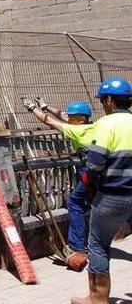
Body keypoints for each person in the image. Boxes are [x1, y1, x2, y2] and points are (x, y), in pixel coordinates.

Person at [60, 78, 132, 304]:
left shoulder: (105, 124)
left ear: (109, 100)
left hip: (112, 195)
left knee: (98, 245)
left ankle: (97, 299)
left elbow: (94, 165)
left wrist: (92, 184)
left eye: (103, 100)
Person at [22, 97, 94, 271]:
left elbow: (50, 121)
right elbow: (63, 116)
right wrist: (47, 107)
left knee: (75, 203)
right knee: (90, 205)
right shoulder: (94, 126)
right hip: (102, 170)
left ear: (82, 119)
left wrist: (33, 109)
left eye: (75, 119)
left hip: (90, 171)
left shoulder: (77, 131)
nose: (71, 121)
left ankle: (77, 246)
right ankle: (91, 243)